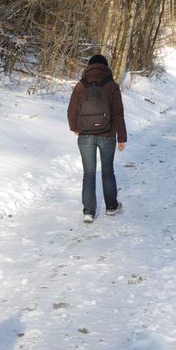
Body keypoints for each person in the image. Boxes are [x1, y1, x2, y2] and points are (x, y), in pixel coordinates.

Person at [68, 54, 127, 223]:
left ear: (89, 67)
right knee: (108, 171)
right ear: (106, 67)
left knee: (88, 173)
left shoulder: (80, 86)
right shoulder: (112, 86)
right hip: (107, 135)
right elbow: (118, 114)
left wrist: (75, 128)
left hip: (85, 135)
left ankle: (88, 211)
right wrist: (122, 137)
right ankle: (110, 207)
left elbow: (71, 111)